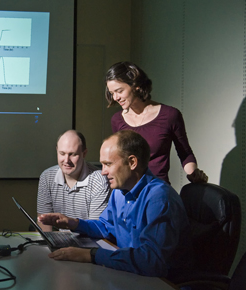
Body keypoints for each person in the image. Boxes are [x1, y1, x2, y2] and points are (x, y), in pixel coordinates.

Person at [38, 130, 193, 277]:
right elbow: (105, 227)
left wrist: (90, 255)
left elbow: (152, 262)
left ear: (132, 162)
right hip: (130, 272)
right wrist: (74, 223)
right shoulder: (119, 191)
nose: (103, 171)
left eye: (108, 164)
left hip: (159, 281)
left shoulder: (159, 198)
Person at [105, 61, 207, 184]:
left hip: (158, 190)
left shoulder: (170, 115)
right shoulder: (117, 120)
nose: (115, 98)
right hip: (128, 193)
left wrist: (194, 174)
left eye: (119, 91)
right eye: (112, 93)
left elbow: (184, 153)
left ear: (136, 85)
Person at [37, 130, 110, 232]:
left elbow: (96, 228)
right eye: (62, 153)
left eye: (73, 154)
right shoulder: (47, 177)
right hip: (58, 243)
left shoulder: (99, 180)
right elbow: (43, 224)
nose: (66, 160)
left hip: (87, 243)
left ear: (84, 153)